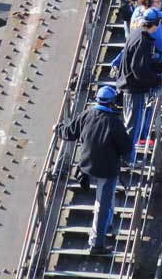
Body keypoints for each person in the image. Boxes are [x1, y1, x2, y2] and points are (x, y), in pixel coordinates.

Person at [55, 85, 132, 255]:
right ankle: (96, 244)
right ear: (112, 103)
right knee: (102, 204)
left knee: (105, 199)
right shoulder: (114, 123)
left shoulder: (86, 115)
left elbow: (69, 132)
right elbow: (126, 148)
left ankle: (108, 223)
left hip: (87, 166)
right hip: (106, 169)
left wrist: (57, 128)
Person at [116, 10, 162, 146]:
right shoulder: (143, 40)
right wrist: (157, 80)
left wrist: (159, 65)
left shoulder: (137, 33)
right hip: (133, 88)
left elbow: (143, 62)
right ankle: (127, 159)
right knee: (132, 126)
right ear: (156, 24)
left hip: (128, 84)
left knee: (131, 124)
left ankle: (127, 156)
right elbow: (139, 69)